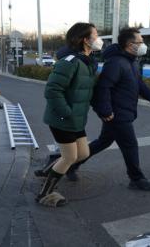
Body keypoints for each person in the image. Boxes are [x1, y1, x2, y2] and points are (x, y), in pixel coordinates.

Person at [38, 28, 150, 190]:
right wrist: (105, 111)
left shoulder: (131, 61)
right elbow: (103, 87)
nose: (142, 45)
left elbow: (139, 84)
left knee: (102, 142)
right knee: (130, 145)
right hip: (117, 113)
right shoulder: (116, 63)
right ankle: (137, 179)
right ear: (129, 44)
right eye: (140, 42)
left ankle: (71, 165)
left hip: (121, 111)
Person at [36, 22, 102, 207]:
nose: (98, 40)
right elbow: (52, 90)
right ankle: (45, 194)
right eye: (95, 36)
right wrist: (67, 112)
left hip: (76, 120)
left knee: (83, 153)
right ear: (84, 40)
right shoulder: (69, 62)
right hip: (62, 119)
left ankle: (48, 171)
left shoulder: (87, 63)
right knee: (70, 157)